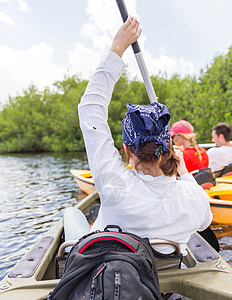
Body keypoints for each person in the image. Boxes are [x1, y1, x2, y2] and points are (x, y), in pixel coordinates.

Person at [78, 16, 212, 255]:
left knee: (72, 214)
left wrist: (117, 48)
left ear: (127, 148)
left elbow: (90, 108)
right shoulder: (194, 198)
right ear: (169, 148)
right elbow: (205, 223)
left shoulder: (112, 184)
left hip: (117, 265)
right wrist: (184, 174)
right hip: (164, 272)